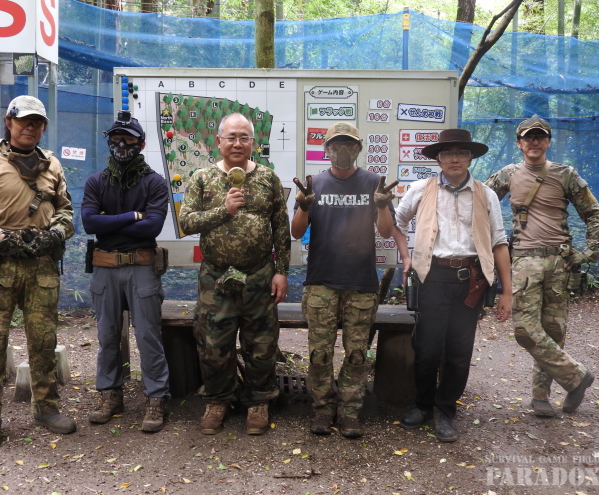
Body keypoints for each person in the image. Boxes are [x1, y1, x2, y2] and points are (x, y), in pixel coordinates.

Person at [0, 95, 75, 449]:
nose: (30, 128)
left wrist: (55, 234)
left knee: (44, 341)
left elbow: (66, 212)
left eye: (37, 122)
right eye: (24, 121)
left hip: (41, 264)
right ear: (9, 122)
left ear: (43, 127)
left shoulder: (51, 165)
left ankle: (46, 408)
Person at [291, 121, 410, 439]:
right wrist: (303, 206)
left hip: (360, 283)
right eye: (336, 145)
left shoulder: (373, 183)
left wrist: (381, 205)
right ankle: (322, 409)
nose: (342, 150)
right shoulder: (314, 184)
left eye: (349, 144)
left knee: (357, 355)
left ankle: (349, 412)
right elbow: (297, 232)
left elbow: (386, 231)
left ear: (358, 148)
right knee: (319, 354)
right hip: (321, 282)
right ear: (326, 149)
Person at [394, 129, 512, 443]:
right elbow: (396, 222)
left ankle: (445, 410)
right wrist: (406, 256)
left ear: (470, 157)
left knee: (459, 352)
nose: (454, 159)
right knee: (427, 349)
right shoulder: (421, 189)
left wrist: (507, 291)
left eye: (461, 152)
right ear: (438, 159)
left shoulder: (486, 194)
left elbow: (499, 242)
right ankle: (423, 405)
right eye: (447, 153)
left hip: (470, 281)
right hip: (432, 278)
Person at [179, 113, 291, 436]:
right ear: (219, 141)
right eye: (231, 137)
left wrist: (281, 272)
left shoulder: (268, 178)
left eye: (244, 137)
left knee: (261, 344)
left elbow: (280, 229)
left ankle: (258, 401)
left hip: (259, 276)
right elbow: (186, 222)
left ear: (253, 142)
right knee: (213, 344)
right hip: (216, 278)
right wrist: (223, 210)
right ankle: (218, 400)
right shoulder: (202, 177)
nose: (238, 143)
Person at [485, 115, 599, 418]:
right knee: (525, 330)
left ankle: (541, 398)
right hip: (524, 260)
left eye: (540, 136)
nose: (534, 141)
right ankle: (577, 377)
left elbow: (593, 213)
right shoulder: (508, 174)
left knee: (553, 330)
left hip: (560, 262)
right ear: (519, 143)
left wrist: (589, 253)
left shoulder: (566, 175)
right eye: (528, 137)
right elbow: (480, 203)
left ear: (548, 141)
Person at [81, 111, 171, 433]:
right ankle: (110, 395)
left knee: (148, 335)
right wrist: (133, 216)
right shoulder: (96, 182)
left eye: (128, 139)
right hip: (105, 268)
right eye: (116, 138)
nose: (121, 145)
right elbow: (89, 223)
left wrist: (110, 221)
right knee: (107, 336)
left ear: (141, 144)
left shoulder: (154, 183)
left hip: (142, 267)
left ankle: (156, 398)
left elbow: (153, 226)